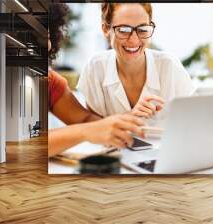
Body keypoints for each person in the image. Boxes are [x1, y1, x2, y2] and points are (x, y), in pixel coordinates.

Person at [48, 3, 144, 157]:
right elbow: (14, 146)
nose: (48, 44)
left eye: (47, 35)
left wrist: (118, 125)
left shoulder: (50, 81)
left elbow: (85, 119)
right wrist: (85, 131)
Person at [78, 3, 195, 121]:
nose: (134, 40)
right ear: (106, 29)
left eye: (143, 30)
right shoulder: (95, 67)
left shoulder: (170, 66)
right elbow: (92, 129)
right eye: (123, 30)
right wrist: (128, 118)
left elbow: (191, 123)